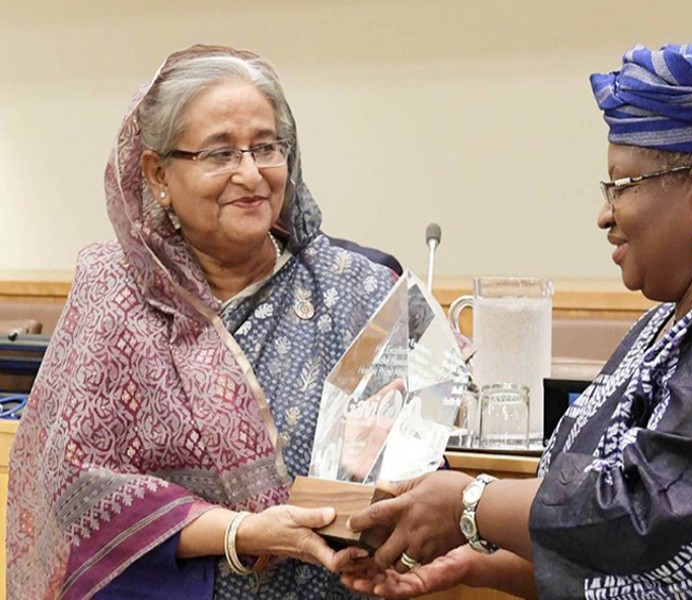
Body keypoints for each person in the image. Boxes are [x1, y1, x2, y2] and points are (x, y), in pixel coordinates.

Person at [341, 24, 692, 599]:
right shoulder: (673, 319)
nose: (605, 215)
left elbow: (660, 523)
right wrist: (469, 565)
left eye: (621, 186)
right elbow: (611, 555)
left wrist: (471, 502)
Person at [6, 45, 399, 599]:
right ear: (158, 173)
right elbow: (75, 490)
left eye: (266, 147)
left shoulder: (354, 289)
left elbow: (422, 438)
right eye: (219, 154)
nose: (250, 173)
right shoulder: (116, 293)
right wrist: (240, 531)